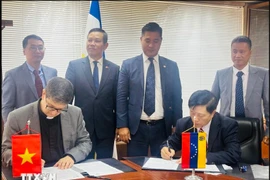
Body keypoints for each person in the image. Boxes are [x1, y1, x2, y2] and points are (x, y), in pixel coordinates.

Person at [117, 22, 183, 157]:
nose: (151, 45)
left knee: (160, 168)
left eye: (156, 41)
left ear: (161, 42)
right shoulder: (128, 65)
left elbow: (177, 97)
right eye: (147, 40)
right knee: (134, 166)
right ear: (141, 40)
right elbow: (121, 97)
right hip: (136, 128)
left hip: (162, 127)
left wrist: (177, 124)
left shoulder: (171, 66)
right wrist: (122, 125)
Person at [2, 77, 91, 169]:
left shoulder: (75, 113)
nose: (54, 113)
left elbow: (85, 142)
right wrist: (28, 160)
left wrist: (71, 156)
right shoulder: (17, 117)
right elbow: (5, 151)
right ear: (43, 93)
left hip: (65, 170)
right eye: (51, 107)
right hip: (32, 170)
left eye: (60, 109)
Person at [65, 28, 119, 159]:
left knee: (106, 165)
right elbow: (67, 98)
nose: (92, 43)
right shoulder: (74, 66)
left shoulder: (114, 69)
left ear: (105, 46)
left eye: (97, 41)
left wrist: (120, 125)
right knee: (83, 165)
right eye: (89, 40)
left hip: (106, 127)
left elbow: (118, 99)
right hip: (81, 127)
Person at [160, 90, 241, 165]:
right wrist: (166, 148)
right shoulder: (183, 124)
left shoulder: (227, 125)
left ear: (213, 113)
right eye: (192, 113)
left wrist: (203, 158)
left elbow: (233, 154)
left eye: (200, 115)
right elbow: (171, 142)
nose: (195, 118)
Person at [211, 35, 269, 136]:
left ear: (250, 53)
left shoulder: (262, 74)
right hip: (226, 125)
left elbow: (268, 104)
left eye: (242, 52)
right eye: (234, 51)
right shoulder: (221, 74)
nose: (237, 55)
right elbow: (212, 102)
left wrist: (268, 131)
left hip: (253, 127)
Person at [2, 34, 57, 123]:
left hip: (49, 123)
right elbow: (7, 107)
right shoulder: (12, 75)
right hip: (24, 125)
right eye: (33, 48)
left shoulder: (52, 72)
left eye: (40, 47)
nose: (38, 51)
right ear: (24, 51)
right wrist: (11, 127)